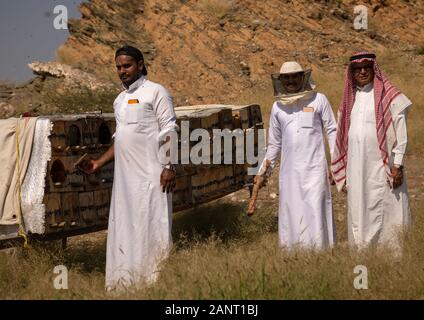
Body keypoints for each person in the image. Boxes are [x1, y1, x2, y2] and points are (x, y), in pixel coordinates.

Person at [82, 45, 179, 291]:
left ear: (140, 64)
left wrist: (169, 166)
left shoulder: (156, 92)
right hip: (124, 182)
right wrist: (98, 163)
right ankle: (124, 284)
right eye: (118, 67)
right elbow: (120, 139)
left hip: (152, 177)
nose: (122, 71)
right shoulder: (119, 100)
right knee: (125, 228)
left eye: (127, 65)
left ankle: (154, 284)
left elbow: (169, 129)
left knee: (152, 226)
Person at [331, 51, 412, 249]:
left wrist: (398, 165)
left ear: (373, 69)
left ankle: (393, 254)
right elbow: (341, 136)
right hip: (357, 168)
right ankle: (364, 253)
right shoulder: (349, 100)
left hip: (385, 166)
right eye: (358, 69)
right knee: (360, 207)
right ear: (352, 72)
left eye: (366, 67)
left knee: (388, 206)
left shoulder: (390, 96)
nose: (363, 71)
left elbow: (401, 134)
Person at [253, 61, 337, 250]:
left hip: (315, 170)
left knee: (315, 210)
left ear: (302, 77)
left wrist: (336, 164)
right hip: (290, 174)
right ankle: (295, 256)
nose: (291, 81)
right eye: (286, 78)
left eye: (294, 76)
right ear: (281, 80)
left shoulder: (319, 100)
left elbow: (332, 130)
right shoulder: (277, 107)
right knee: (293, 213)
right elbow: (274, 144)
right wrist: (263, 172)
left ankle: (320, 255)